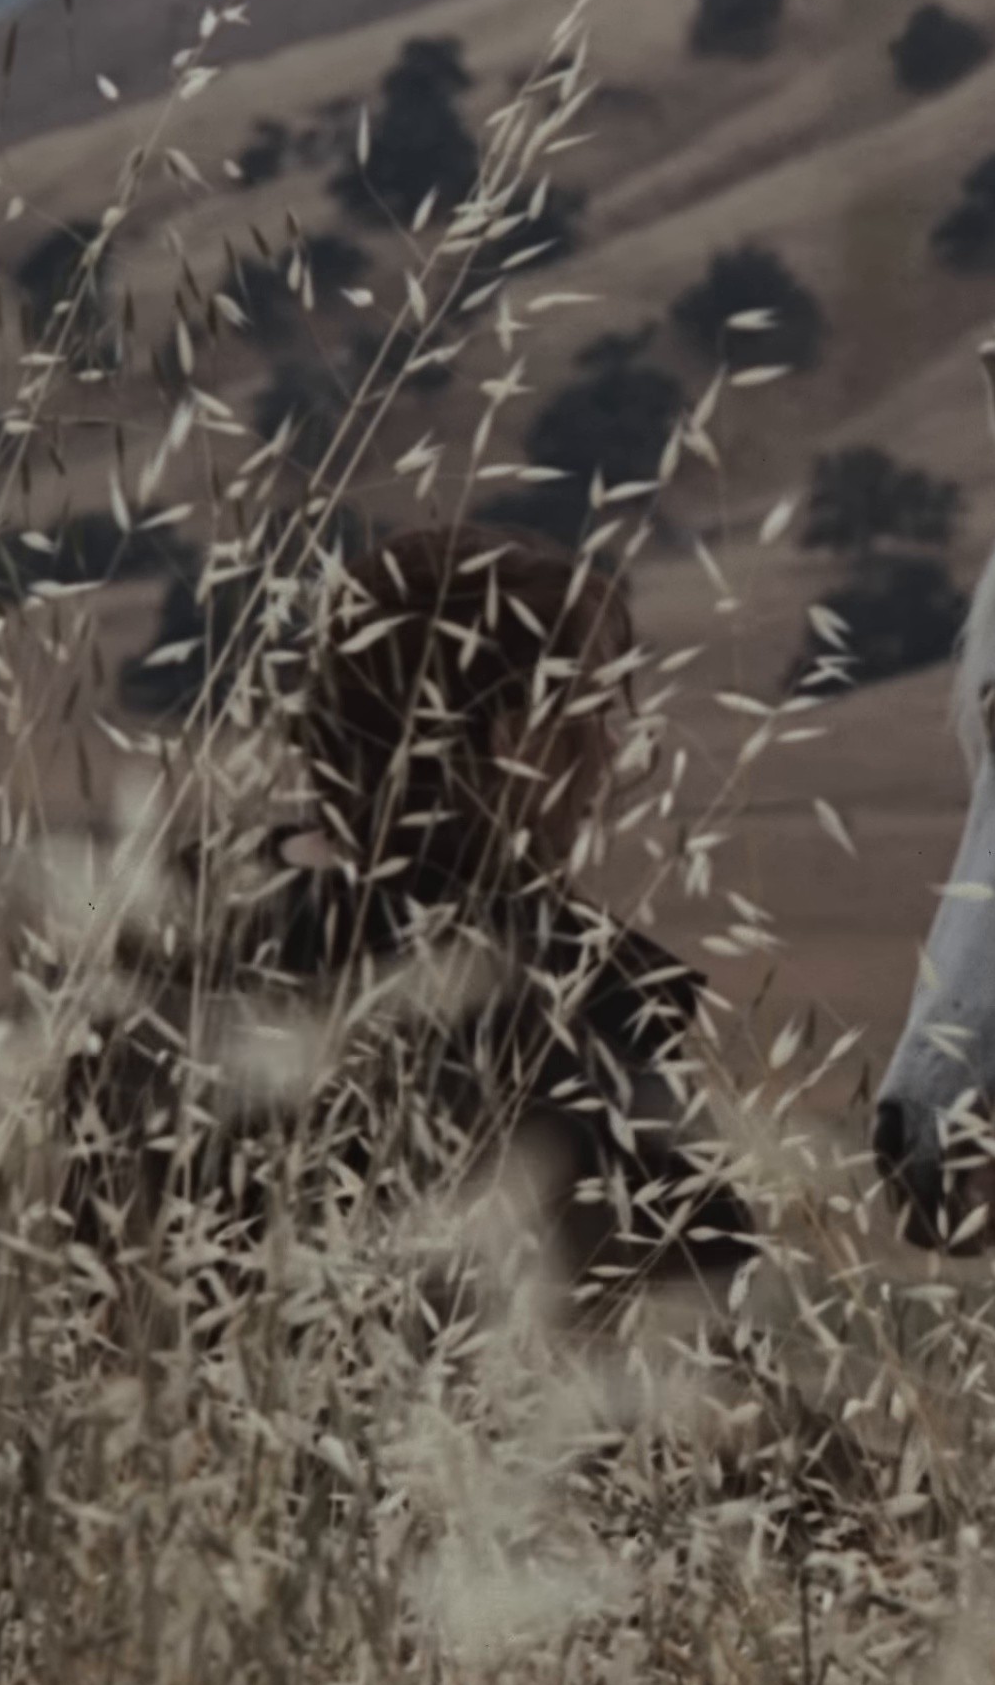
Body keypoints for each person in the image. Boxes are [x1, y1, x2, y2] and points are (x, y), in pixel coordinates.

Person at [53, 521, 753, 1321]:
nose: (612, 755)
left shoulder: (174, 931)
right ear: (514, 741)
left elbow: (102, 1284)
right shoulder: (582, 1000)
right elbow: (688, 1345)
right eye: (590, 716)